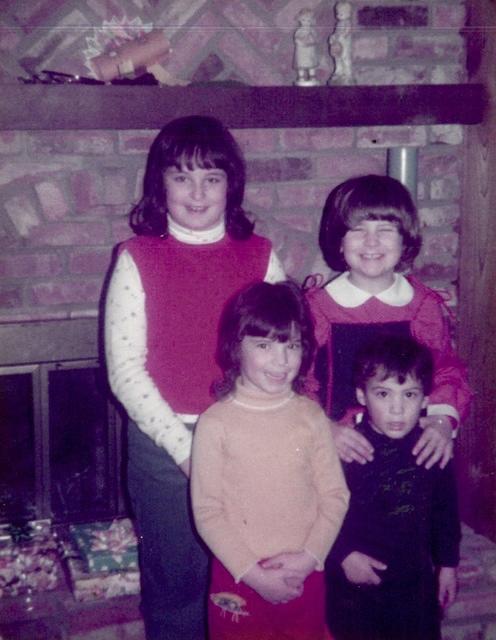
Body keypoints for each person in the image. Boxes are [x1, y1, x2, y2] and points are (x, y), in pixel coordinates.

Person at [104, 115, 285, 640]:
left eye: (212, 177)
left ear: (232, 184)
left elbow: (285, 354)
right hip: (166, 453)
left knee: (245, 584)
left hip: (250, 445)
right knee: (177, 590)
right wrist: (186, 450)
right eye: (182, 176)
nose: (198, 191)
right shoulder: (137, 257)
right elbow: (125, 368)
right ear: (160, 184)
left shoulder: (262, 256)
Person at [191, 281, 350, 640]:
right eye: (264, 346)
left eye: (291, 346)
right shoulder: (215, 423)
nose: (281, 361)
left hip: (304, 574)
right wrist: (255, 576)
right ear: (236, 348)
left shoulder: (311, 417)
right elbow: (207, 512)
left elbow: (335, 496)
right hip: (239, 578)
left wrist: (310, 558)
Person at [305, 174, 471, 470]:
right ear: (339, 242)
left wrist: (442, 421)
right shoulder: (318, 308)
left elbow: (445, 370)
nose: (371, 242)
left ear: (405, 238)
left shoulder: (423, 306)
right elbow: (301, 381)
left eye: (385, 229)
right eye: (358, 230)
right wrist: (323, 430)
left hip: (407, 447)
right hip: (337, 447)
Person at [325, 334, 461, 640]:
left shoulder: (432, 447)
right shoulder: (347, 448)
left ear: (426, 400)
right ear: (362, 395)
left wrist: (448, 565)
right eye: (384, 394)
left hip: (414, 588)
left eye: (409, 395)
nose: (397, 409)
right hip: (353, 587)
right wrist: (343, 554)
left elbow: (445, 512)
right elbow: (317, 510)